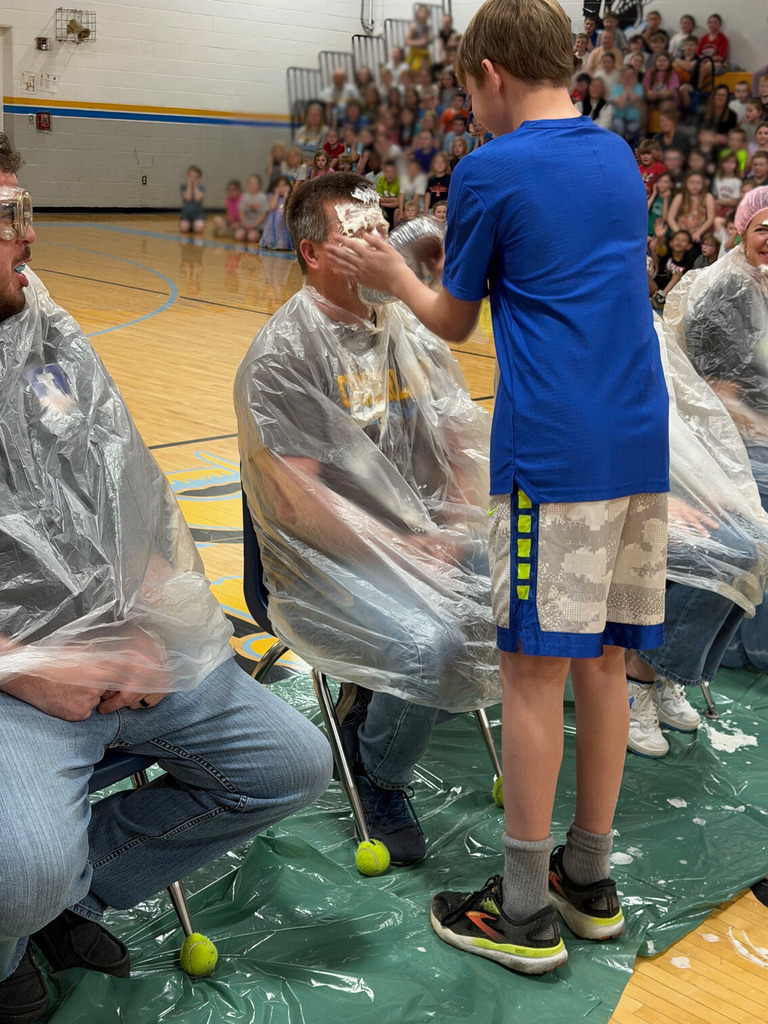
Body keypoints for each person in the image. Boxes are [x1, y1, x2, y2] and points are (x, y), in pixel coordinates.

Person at [329, 0, 669, 976]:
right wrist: (450, 257)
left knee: (531, 673)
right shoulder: (616, 156)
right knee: (605, 660)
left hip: (555, 450)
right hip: (636, 441)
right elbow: (555, 267)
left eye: (465, 89)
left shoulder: (487, 168)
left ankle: (519, 911)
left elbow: (453, 320)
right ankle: (586, 880)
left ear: (488, 75)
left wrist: (397, 271)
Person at [0, 136, 332, 1024]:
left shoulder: (40, 340)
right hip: (10, 680)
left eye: (23, 209)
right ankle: (12, 933)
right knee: (18, 870)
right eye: (5, 220)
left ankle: (73, 901)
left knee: (289, 766)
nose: (27, 237)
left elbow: (109, 480)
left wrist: (153, 617)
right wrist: (29, 668)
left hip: (109, 640)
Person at [234, 173, 499, 868]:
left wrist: (458, 530)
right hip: (321, 564)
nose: (381, 247)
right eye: (360, 236)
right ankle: (377, 767)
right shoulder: (286, 353)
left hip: (420, 544)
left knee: (523, 582)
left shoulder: (405, 328)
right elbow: (297, 506)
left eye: (383, 230)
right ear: (314, 253)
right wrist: (407, 551)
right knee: (431, 641)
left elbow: (456, 444)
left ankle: (383, 702)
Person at [234, 174, 269, 245]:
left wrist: (254, 225)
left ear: (259, 185)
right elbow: (241, 212)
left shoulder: (262, 197)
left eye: (255, 183)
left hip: (258, 226)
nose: (252, 185)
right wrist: (245, 224)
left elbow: (264, 214)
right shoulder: (244, 196)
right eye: (250, 183)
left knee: (252, 237)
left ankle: (259, 236)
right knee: (238, 236)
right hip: (245, 225)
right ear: (248, 185)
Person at [179, 165, 204, 235]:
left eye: (195, 177)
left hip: (198, 215)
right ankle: (189, 226)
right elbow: (188, 198)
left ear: (199, 178)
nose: (193, 178)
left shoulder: (201, 188)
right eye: (191, 176)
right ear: (187, 176)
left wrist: (195, 186)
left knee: (199, 228)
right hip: (186, 215)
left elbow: (197, 199)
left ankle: (194, 226)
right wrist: (189, 184)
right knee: (183, 229)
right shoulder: (183, 187)